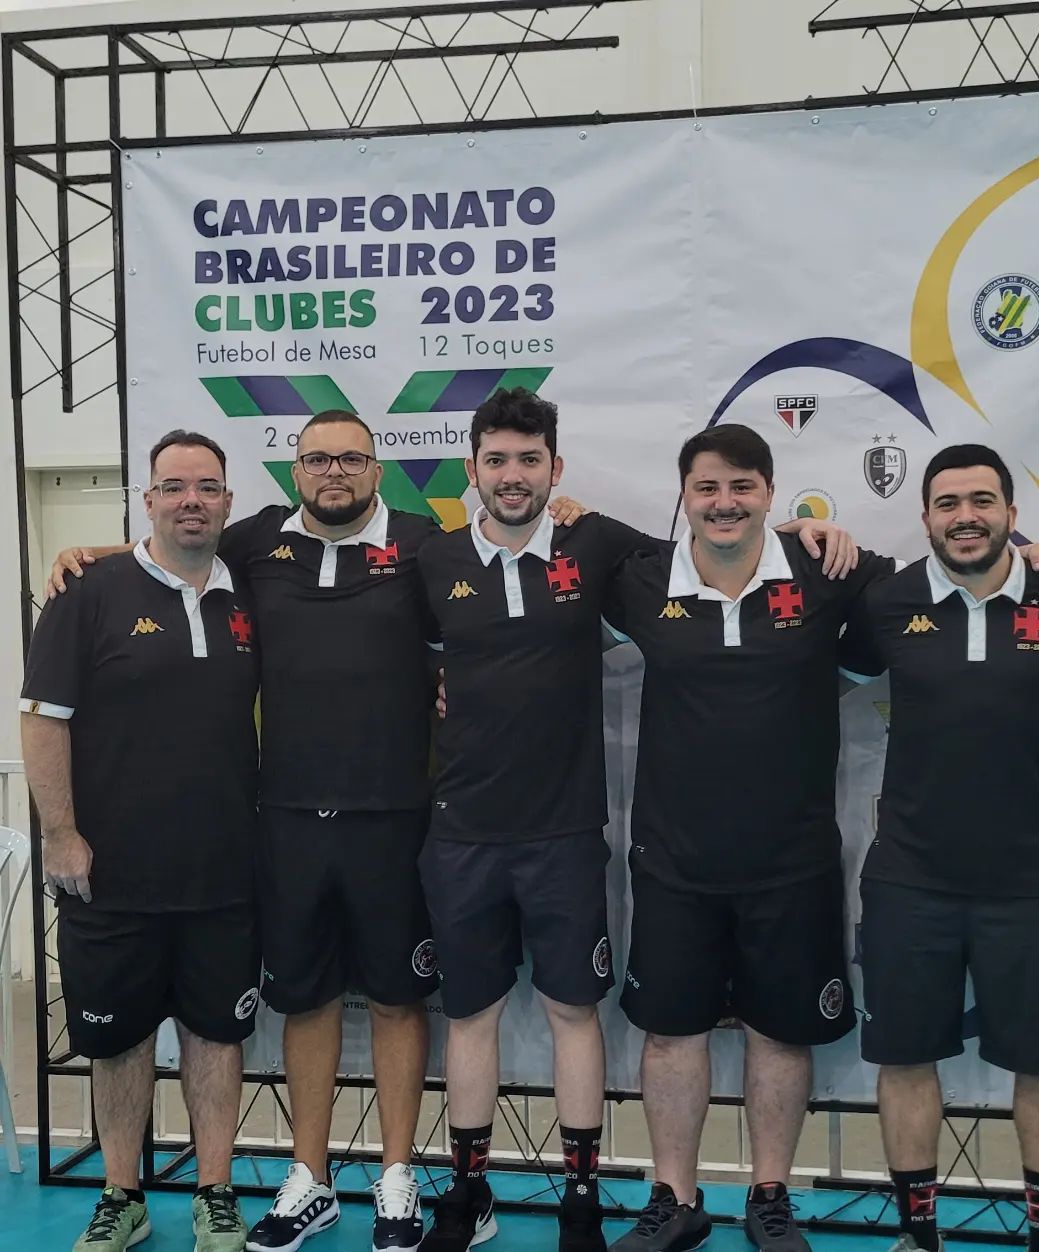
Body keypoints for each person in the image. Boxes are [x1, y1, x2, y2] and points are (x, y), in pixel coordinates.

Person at [46, 411, 585, 1252]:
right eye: (318, 460)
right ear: (294, 471)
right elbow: (175, 544)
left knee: (400, 1000)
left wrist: (568, 513)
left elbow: (511, 547)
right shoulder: (258, 542)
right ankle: (310, 1180)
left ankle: (398, 1177)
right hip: (288, 818)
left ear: (378, 469)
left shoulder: (423, 544)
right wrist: (91, 554)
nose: (335, 472)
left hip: (397, 817)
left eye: (352, 459)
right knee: (307, 999)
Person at [602, 425, 1039, 1252]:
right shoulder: (643, 580)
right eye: (707, 487)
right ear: (683, 496)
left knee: (780, 1033)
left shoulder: (831, 572)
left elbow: (956, 566)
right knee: (671, 1036)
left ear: (770, 491)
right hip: (673, 856)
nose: (724, 502)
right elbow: (555, 569)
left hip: (793, 857)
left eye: (743, 486)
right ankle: (673, 1198)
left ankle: (771, 1197)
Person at [415, 390, 856, 1252]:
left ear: (556, 468)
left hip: (574, 831)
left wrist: (807, 531)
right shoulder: (432, 560)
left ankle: (589, 1200)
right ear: (471, 469)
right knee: (477, 1018)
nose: (513, 475)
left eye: (529, 460)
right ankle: (474, 1194)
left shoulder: (600, 546)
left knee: (582, 1014)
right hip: (467, 831)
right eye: (497, 460)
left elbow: (725, 542)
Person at [838, 445, 1039, 1252]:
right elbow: (813, 680)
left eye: (982, 501)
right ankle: (918, 1235)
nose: (966, 517)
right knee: (905, 1060)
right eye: (948, 503)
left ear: (1010, 512)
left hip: (1034, 881)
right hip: (910, 877)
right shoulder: (888, 601)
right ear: (926, 516)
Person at [22, 430, 260, 1252]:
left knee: (216, 1034)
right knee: (117, 1041)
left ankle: (215, 1194)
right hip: (110, 872)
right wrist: (61, 833)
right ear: (148, 499)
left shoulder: (250, 588)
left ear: (228, 501)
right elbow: (42, 720)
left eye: (207, 486)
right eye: (174, 486)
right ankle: (121, 1194)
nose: (192, 500)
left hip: (225, 868)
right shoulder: (86, 592)